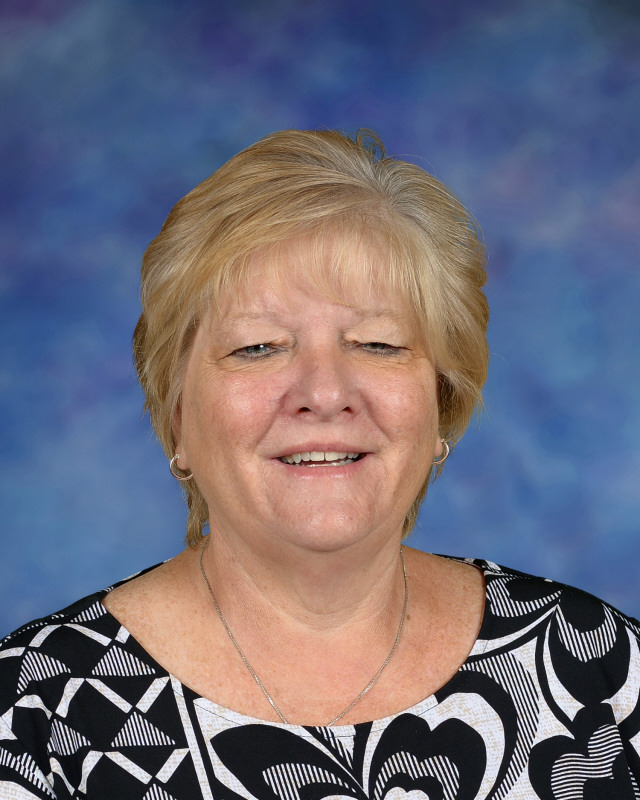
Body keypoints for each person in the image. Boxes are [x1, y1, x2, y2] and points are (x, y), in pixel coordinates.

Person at [1, 129, 639, 800]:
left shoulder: (592, 665)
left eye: (377, 343)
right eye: (258, 347)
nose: (326, 393)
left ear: (439, 409)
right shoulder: (34, 716)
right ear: (177, 416)